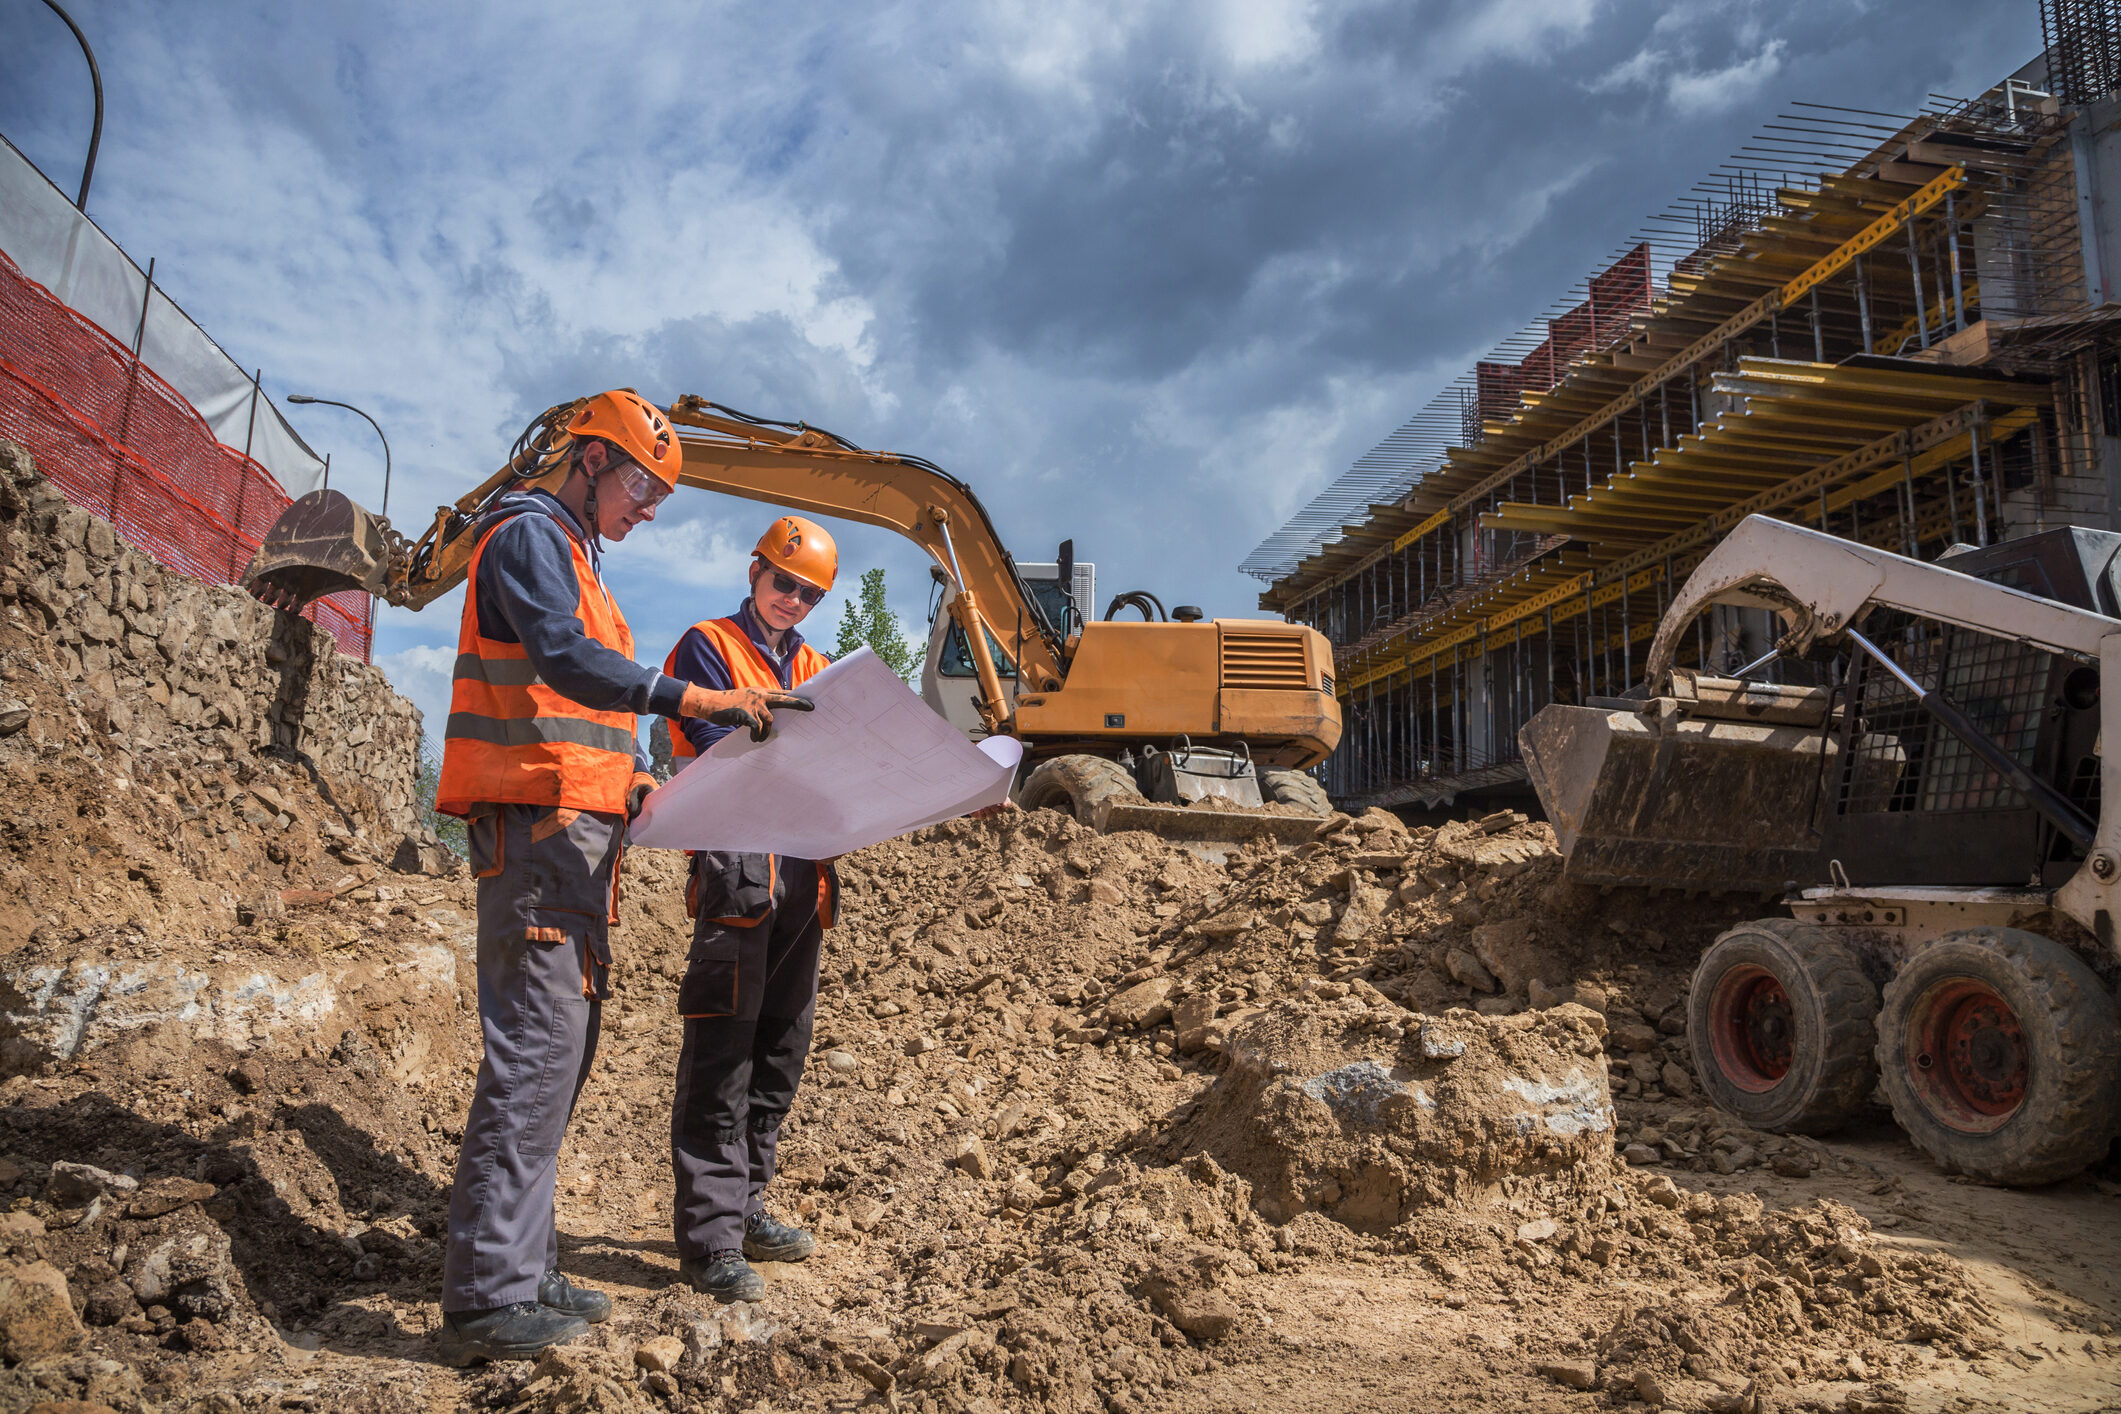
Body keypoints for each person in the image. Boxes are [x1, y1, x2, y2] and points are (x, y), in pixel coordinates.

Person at [433, 391, 811, 1364]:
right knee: (535, 1053)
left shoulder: (577, 557)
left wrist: (644, 781)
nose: (650, 508)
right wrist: (695, 697)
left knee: (562, 1054)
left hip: (576, 849)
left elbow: (588, 720)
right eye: (643, 484)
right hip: (536, 837)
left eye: (661, 494)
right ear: (590, 459)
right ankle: (488, 1295)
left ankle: (522, 1261)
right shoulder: (527, 537)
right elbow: (565, 662)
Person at [660, 513, 841, 1302]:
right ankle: (709, 1239)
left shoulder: (821, 666)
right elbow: (710, 740)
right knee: (722, 1055)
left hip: (804, 875)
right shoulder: (707, 646)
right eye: (782, 583)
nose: (792, 600)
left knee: (779, 1050)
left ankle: (747, 1209)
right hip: (738, 870)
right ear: (754, 572)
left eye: (808, 593)